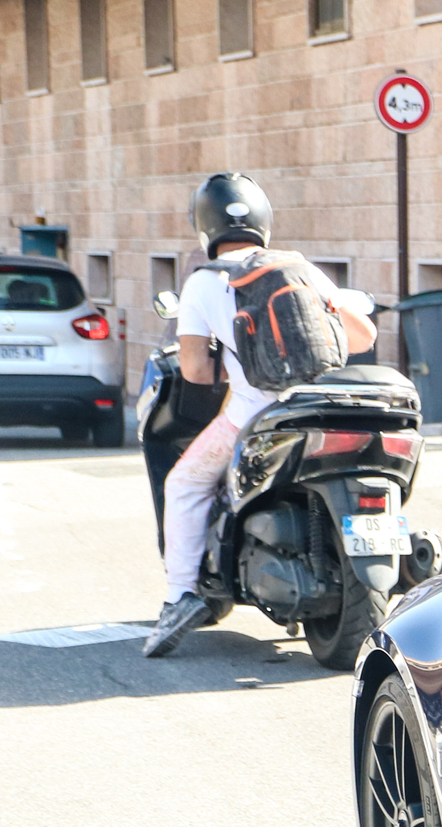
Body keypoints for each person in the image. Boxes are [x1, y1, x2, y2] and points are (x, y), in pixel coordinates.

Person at [143, 172, 380, 658]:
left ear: (204, 228)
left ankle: (179, 596)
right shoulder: (298, 266)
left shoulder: (203, 283)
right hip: (329, 403)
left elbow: (194, 371)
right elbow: (363, 339)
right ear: (264, 222)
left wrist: (226, 363)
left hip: (257, 412)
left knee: (184, 483)